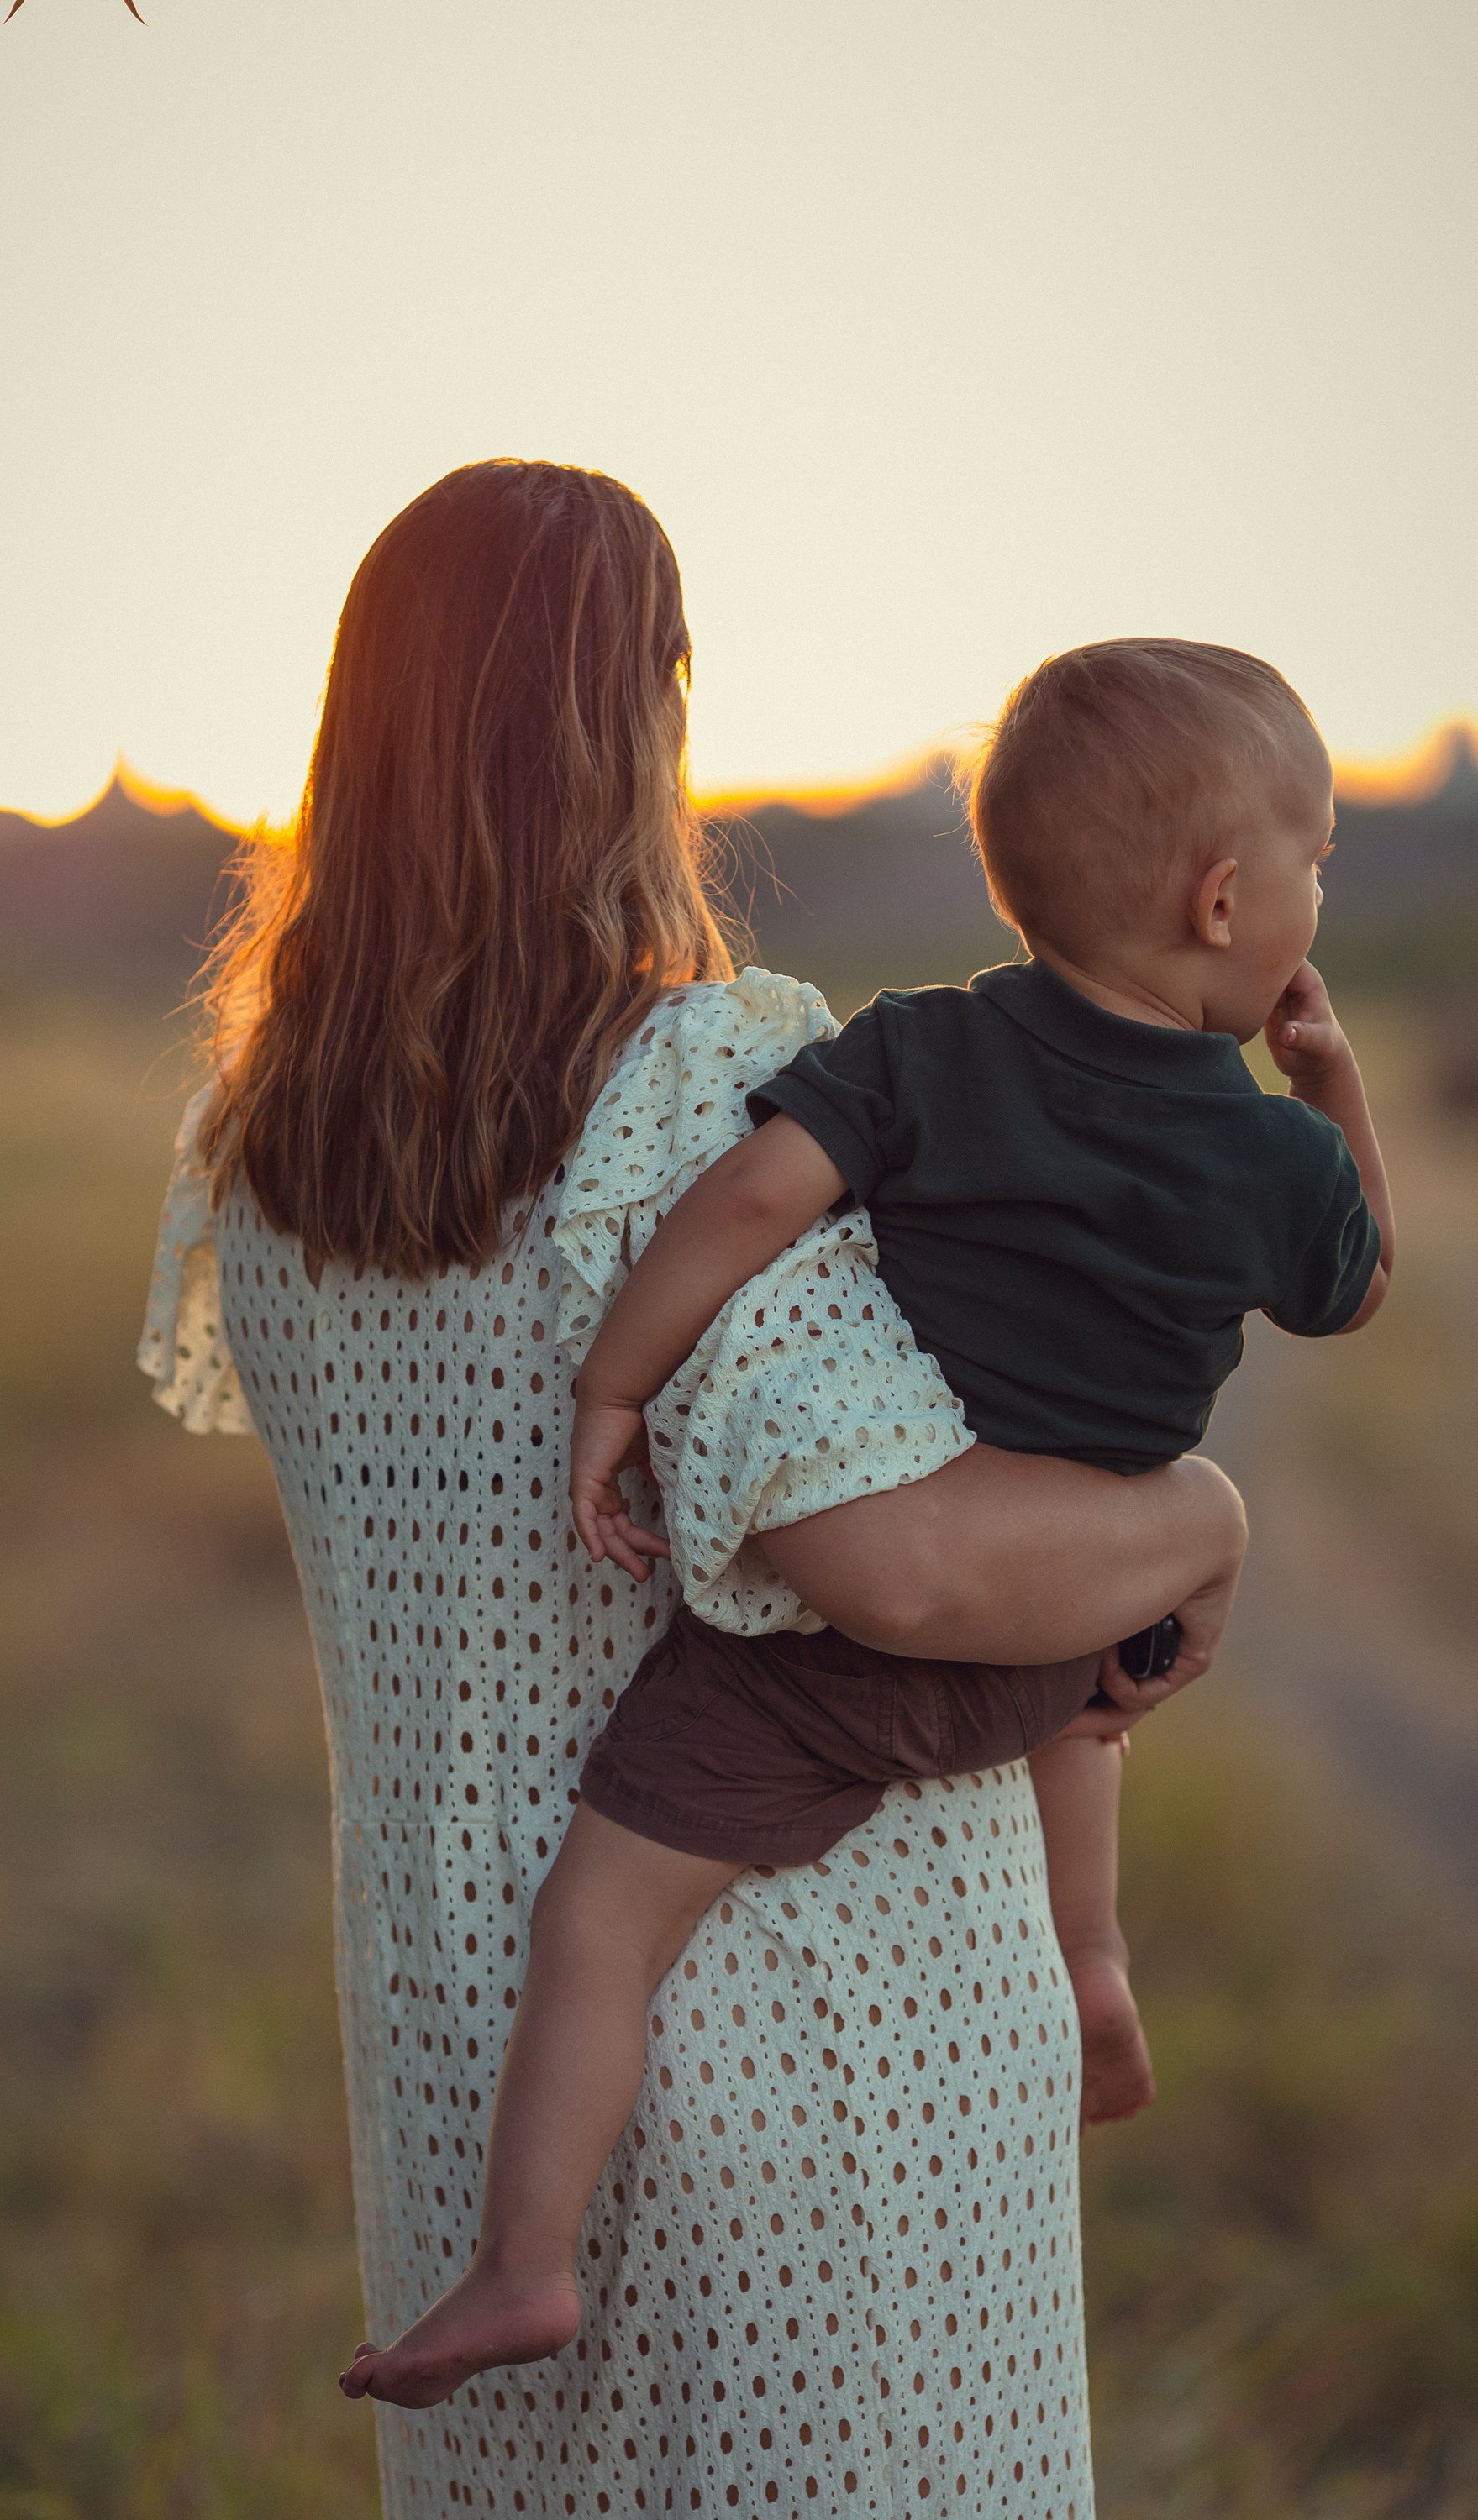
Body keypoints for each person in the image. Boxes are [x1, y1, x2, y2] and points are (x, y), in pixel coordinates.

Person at [140, 467, 1244, 2513]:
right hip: (834, 2074)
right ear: (633, 722)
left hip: (476, 2078)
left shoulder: (258, 1146)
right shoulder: (697, 1098)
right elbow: (903, 1568)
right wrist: (1199, 1521)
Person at [340, 637, 1391, 2414]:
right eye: (1320, 862)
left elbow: (753, 1198)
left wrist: (612, 1386)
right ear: (1227, 901)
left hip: (827, 1654)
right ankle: (1093, 1958)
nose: (1316, 896)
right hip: (1060, 1641)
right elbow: (1357, 1287)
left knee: (601, 1916)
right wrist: (1332, 1092)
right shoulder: (1279, 1166)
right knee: (1093, 1707)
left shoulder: (924, 1047)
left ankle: (525, 2262)